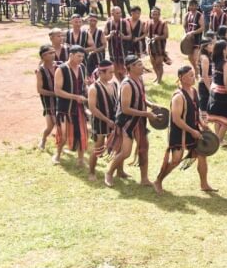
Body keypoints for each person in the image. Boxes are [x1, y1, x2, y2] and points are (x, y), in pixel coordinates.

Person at [153, 65, 215, 194]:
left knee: (202, 154)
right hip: (179, 132)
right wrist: (192, 131)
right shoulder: (178, 97)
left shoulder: (194, 91)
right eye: (191, 75)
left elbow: (195, 110)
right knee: (176, 160)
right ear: (181, 78)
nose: (194, 77)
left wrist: (203, 124)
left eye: (194, 74)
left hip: (194, 130)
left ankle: (204, 184)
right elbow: (176, 119)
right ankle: (158, 181)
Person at [105, 55, 161, 187]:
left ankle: (144, 179)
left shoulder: (139, 79)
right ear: (130, 67)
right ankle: (109, 172)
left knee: (143, 147)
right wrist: (146, 113)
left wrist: (150, 104)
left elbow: (141, 97)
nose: (142, 67)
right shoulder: (126, 84)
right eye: (139, 64)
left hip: (139, 121)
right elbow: (125, 109)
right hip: (126, 122)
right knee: (126, 152)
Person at [52, 45, 89, 166]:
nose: (81, 59)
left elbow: (84, 85)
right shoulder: (61, 69)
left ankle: (80, 159)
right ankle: (57, 154)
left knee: (82, 133)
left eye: (82, 57)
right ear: (71, 55)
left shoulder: (82, 67)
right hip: (65, 108)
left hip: (80, 108)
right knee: (63, 135)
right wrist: (75, 97)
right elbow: (57, 91)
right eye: (79, 56)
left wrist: (89, 92)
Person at [86, 59, 118, 181]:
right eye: (110, 72)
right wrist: (106, 120)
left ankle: (119, 171)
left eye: (113, 72)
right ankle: (91, 172)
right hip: (100, 122)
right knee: (98, 148)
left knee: (116, 147)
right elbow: (92, 108)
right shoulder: (94, 88)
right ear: (101, 73)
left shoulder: (114, 85)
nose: (112, 75)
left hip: (113, 121)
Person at [35, 45, 58, 146]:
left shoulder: (59, 66)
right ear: (44, 56)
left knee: (59, 124)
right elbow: (40, 90)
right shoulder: (40, 71)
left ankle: (60, 144)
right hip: (49, 101)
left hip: (60, 100)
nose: (54, 54)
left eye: (54, 52)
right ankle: (44, 139)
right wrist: (54, 93)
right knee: (51, 125)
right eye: (51, 53)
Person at [104, 7, 131, 82]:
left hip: (123, 49)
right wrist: (109, 36)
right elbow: (103, 37)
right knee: (115, 67)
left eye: (120, 13)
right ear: (112, 14)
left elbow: (130, 36)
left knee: (124, 66)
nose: (119, 15)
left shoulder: (125, 22)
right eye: (117, 13)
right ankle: (120, 81)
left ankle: (125, 81)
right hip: (112, 49)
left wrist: (124, 37)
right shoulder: (108, 23)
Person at [183, 0, 205, 70]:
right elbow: (184, 25)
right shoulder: (187, 15)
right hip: (189, 40)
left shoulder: (200, 15)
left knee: (196, 57)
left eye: (194, 5)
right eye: (190, 5)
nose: (192, 7)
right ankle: (196, 70)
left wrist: (193, 32)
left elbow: (202, 28)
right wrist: (186, 34)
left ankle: (201, 71)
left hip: (197, 39)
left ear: (197, 6)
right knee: (190, 57)